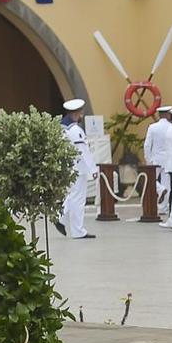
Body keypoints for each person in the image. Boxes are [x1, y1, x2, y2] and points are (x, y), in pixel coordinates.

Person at [58, 99, 96, 239]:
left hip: (69, 167)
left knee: (73, 195)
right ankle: (78, 230)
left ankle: (59, 216)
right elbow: (83, 151)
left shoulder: (63, 127)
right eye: (81, 112)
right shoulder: (75, 130)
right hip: (78, 168)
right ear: (77, 113)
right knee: (78, 199)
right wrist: (94, 170)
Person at [142, 104, 172, 219]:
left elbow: (147, 145)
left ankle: (160, 191)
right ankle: (163, 207)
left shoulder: (153, 127)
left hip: (155, 158)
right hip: (168, 159)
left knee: (152, 180)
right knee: (167, 183)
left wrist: (148, 159)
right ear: (167, 115)